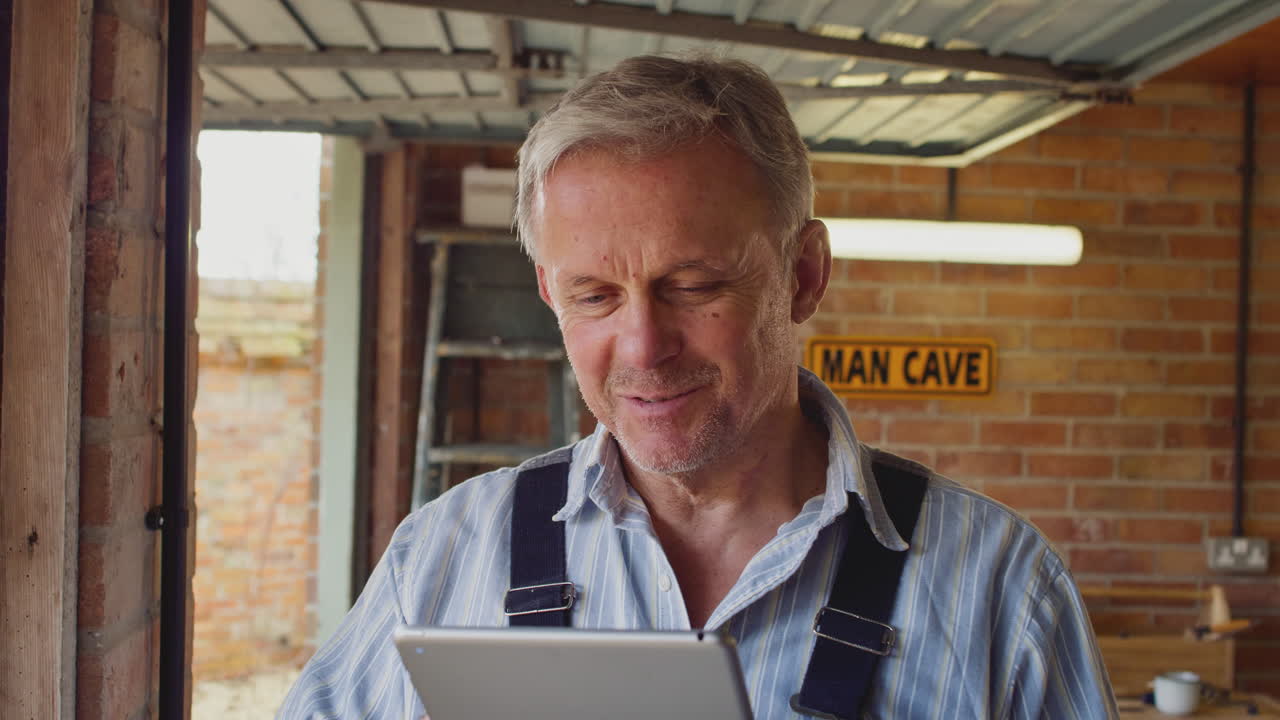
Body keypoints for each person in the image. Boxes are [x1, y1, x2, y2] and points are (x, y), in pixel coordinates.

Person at [277, 54, 1118, 719]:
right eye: (594, 296)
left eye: (693, 286)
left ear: (804, 274)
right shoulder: (444, 560)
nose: (643, 346)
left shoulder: (1004, 589)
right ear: (550, 296)